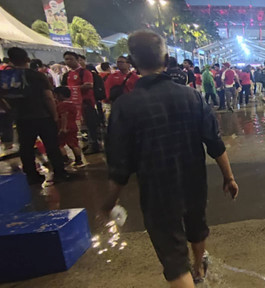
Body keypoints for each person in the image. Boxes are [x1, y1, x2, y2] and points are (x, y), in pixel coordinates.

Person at [103, 30, 238, 288]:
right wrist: (229, 178)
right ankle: (198, 269)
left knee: (174, 260)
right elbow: (214, 143)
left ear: (133, 62)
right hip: (194, 182)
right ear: (166, 59)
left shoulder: (125, 106)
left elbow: (119, 164)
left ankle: (190, 273)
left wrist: (110, 200)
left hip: (157, 192)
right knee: (197, 226)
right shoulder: (191, 96)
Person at [4, 47, 70, 184]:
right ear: (27, 59)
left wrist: (10, 109)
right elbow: (48, 97)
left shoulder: (7, 77)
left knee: (26, 148)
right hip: (42, 116)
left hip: (21, 118)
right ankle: (60, 172)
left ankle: (31, 175)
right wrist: (54, 114)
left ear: (10, 60)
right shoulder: (37, 76)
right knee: (52, 145)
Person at [62, 51, 101, 154]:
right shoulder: (67, 75)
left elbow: (89, 85)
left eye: (70, 59)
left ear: (77, 60)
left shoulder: (84, 72)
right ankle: (86, 144)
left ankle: (94, 144)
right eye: (66, 59)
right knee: (80, 126)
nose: (68, 61)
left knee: (90, 124)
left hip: (86, 103)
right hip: (74, 105)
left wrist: (72, 88)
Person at [54, 86, 85, 167]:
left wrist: (63, 128)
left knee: (59, 144)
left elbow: (64, 116)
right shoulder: (72, 104)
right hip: (73, 126)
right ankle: (79, 160)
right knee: (74, 144)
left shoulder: (62, 105)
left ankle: (65, 159)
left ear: (60, 95)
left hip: (65, 127)